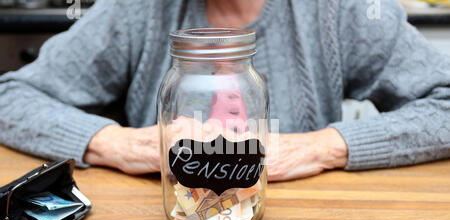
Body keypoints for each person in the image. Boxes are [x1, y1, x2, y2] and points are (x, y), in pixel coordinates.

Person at [0, 0, 448, 182]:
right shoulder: (133, 9)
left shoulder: (344, 10)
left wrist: (323, 147)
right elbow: (11, 98)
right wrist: (114, 142)